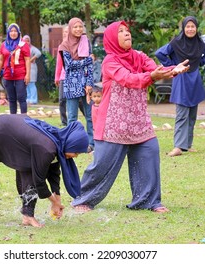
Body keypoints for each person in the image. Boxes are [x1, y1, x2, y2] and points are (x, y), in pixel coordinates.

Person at [71, 21, 189, 213]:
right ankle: (82, 199)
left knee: (150, 153)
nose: (127, 34)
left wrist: (172, 70)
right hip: (114, 124)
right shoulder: (110, 61)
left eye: (127, 31)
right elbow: (128, 79)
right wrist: (152, 76)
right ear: (111, 38)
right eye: (121, 31)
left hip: (139, 121)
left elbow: (155, 69)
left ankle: (148, 201)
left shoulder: (139, 57)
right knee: (102, 165)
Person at [155, 16, 205, 157]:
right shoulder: (176, 42)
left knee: (192, 114)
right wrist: (173, 66)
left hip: (195, 79)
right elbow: (160, 53)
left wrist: (198, 63)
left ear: (196, 28)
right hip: (181, 78)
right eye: (188, 26)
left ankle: (187, 144)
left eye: (193, 26)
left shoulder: (199, 43)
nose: (190, 29)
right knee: (182, 114)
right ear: (184, 28)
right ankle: (178, 146)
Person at [58, 18, 94, 150]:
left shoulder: (86, 41)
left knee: (90, 115)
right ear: (70, 29)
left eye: (81, 26)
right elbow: (68, 65)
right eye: (75, 27)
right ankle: (72, 143)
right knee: (72, 116)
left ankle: (92, 143)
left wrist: (90, 82)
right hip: (71, 82)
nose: (79, 29)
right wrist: (87, 61)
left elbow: (90, 66)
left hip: (85, 82)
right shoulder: (64, 45)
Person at [0, 23, 30, 114]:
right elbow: (0, 59)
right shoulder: (4, 45)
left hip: (20, 75)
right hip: (8, 75)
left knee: (21, 97)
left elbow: (27, 60)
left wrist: (27, 75)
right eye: (11, 31)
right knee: (11, 99)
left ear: (18, 33)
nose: (13, 33)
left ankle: (24, 119)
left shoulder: (23, 44)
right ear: (8, 32)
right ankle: (13, 119)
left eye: (15, 31)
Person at [23, 35, 42, 105]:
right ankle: (28, 99)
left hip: (32, 67)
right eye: (25, 41)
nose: (26, 42)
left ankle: (33, 99)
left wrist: (31, 59)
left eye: (28, 41)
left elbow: (39, 53)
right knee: (26, 84)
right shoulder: (22, 48)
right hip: (24, 67)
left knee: (31, 83)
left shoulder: (32, 48)